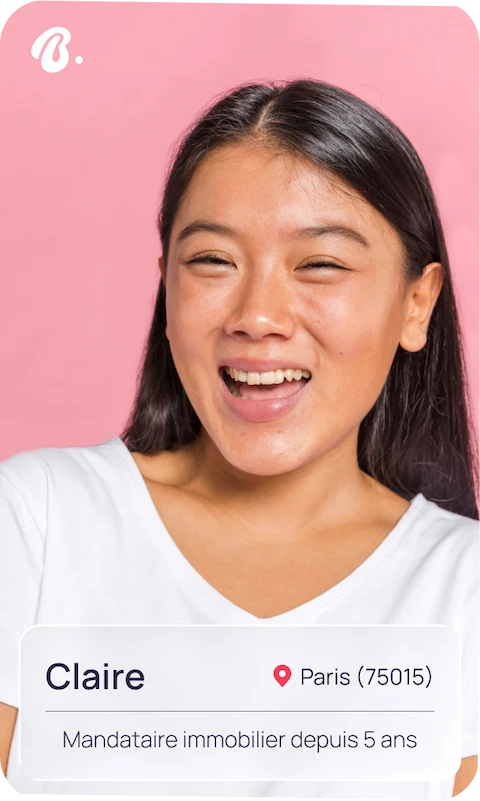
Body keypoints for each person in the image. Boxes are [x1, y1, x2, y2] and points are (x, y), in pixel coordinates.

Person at [1, 78, 479, 800]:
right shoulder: (36, 521)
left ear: (417, 303)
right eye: (212, 262)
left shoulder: (464, 588)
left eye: (320, 264)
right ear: (166, 290)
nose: (258, 316)